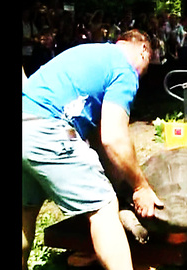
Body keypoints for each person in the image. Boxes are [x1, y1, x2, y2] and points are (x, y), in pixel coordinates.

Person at [22, 29, 164, 270]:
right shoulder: (124, 69)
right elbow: (114, 137)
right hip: (49, 128)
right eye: (149, 63)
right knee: (104, 208)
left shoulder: (93, 55)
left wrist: (119, 182)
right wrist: (141, 187)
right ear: (143, 50)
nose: (144, 71)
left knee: (25, 210)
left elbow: (99, 140)